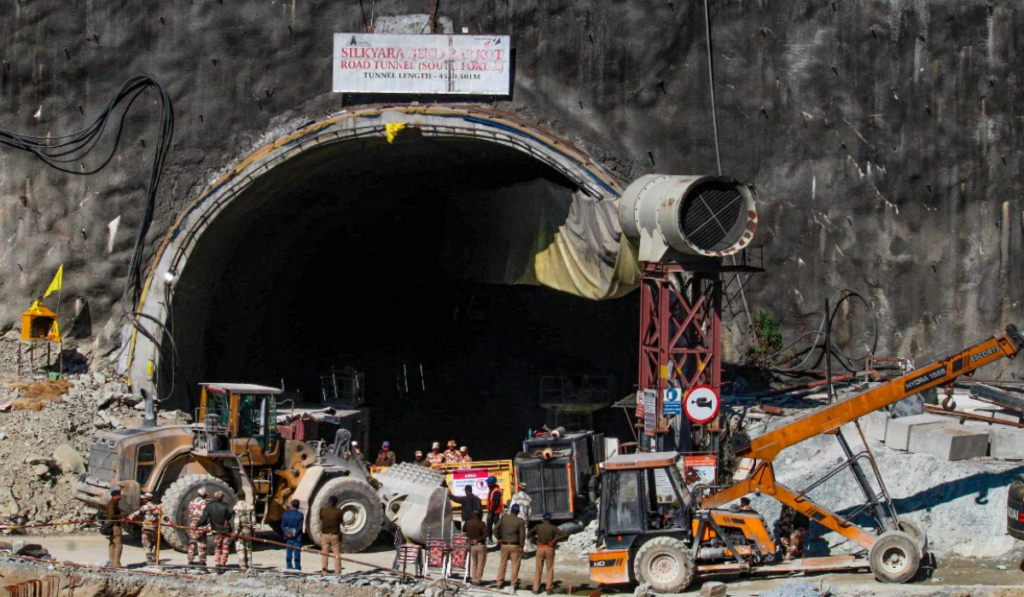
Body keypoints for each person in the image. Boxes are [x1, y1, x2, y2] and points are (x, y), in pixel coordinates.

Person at [529, 513, 568, 595]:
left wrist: (535, 541)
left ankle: (535, 589)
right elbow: (565, 534)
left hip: (540, 548)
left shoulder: (538, 526)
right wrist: (555, 540)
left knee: (538, 569)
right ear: (550, 519)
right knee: (549, 569)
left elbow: (529, 534)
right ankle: (549, 589)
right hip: (550, 549)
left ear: (543, 519)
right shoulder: (553, 527)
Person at [198, 491, 234, 569]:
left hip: (216, 531)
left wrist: (197, 525)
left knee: (217, 548)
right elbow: (232, 511)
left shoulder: (209, 506)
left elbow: (203, 519)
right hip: (226, 531)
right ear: (221, 497)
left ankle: (217, 565)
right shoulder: (225, 505)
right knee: (225, 548)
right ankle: (223, 564)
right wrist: (227, 519)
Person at [495, 503, 526, 590]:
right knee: (515, 565)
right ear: (518, 511)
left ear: (511, 510)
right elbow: (522, 535)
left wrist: (499, 538)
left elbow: (495, 529)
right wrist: (521, 546)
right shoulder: (520, 521)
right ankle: (513, 584)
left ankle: (499, 582)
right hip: (515, 545)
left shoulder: (504, 518)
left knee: (502, 563)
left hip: (504, 544)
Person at [128, 492, 162, 565]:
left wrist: (129, 518)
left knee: (146, 544)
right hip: (155, 528)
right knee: (153, 544)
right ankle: (154, 558)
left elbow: (136, 514)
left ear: (147, 499)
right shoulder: (157, 507)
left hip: (147, 528)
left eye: (144, 499)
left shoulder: (145, 507)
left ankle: (149, 559)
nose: (143, 500)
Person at [320, 495, 343, 575]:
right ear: (336, 503)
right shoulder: (338, 512)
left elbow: (321, 518)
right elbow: (341, 521)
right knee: (337, 553)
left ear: (328, 502)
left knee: (325, 553)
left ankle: (324, 570)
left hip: (325, 534)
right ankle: (337, 571)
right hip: (334, 535)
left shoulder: (323, 511)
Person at [187, 488, 210, 566]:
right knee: (201, 543)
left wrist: (193, 522)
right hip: (200, 525)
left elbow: (190, 515)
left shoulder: (191, 502)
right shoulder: (203, 502)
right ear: (204, 494)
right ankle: (202, 562)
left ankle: (190, 561)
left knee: (192, 542)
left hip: (192, 524)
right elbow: (205, 515)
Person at [464, 509, 488, 585]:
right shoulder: (482, 524)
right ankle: (478, 579)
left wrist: (470, 538)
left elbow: (464, 531)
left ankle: (473, 578)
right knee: (480, 563)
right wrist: (477, 540)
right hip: (481, 545)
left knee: (474, 563)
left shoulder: (467, 523)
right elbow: (485, 535)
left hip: (472, 546)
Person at [233, 492, 256, 569]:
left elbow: (237, 521)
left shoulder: (236, 507)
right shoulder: (250, 506)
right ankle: (250, 565)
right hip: (248, 529)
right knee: (248, 548)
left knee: (241, 548)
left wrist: (236, 532)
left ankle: (242, 566)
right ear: (245, 497)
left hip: (240, 530)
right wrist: (253, 530)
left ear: (238, 498)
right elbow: (253, 519)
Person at [281, 499, 305, 571]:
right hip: (297, 538)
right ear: (298, 506)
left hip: (288, 537)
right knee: (297, 554)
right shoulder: (300, 515)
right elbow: (299, 527)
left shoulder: (286, 514)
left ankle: (289, 568)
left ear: (291, 505)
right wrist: (294, 534)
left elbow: (282, 526)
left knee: (289, 554)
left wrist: (288, 533)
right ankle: (297, 568)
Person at [103, 488, 124, 568]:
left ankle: (112, 562)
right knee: (118, 545)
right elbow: (112, 515)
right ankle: (116, 564)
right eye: (118, 496)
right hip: (115, 525)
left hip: (112, 525)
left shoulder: (113, 503)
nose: (120, 497)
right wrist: (121, 517)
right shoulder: (111, 504)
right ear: (114, 496)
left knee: (112, 544)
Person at [511, 482, 534, 550]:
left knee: (516, 532)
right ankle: (525, 547)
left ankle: (517, 547)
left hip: (517, 517)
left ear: (519, 488)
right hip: (525, 518)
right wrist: (527, 517)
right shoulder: (528, 498)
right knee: (525, 532)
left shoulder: (515, 496)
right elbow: (530, 510)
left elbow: (511, 507)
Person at [486, 476, 504, 546]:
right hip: (492, 511)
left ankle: (501, 540)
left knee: (497, 527)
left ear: (492, 483)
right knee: (489, 526)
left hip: (495, 512)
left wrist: (491, 513)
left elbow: (495, 503)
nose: (487, 484)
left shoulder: (496, 491)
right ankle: (490, 539)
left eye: (488, 483)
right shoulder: (492, 490)